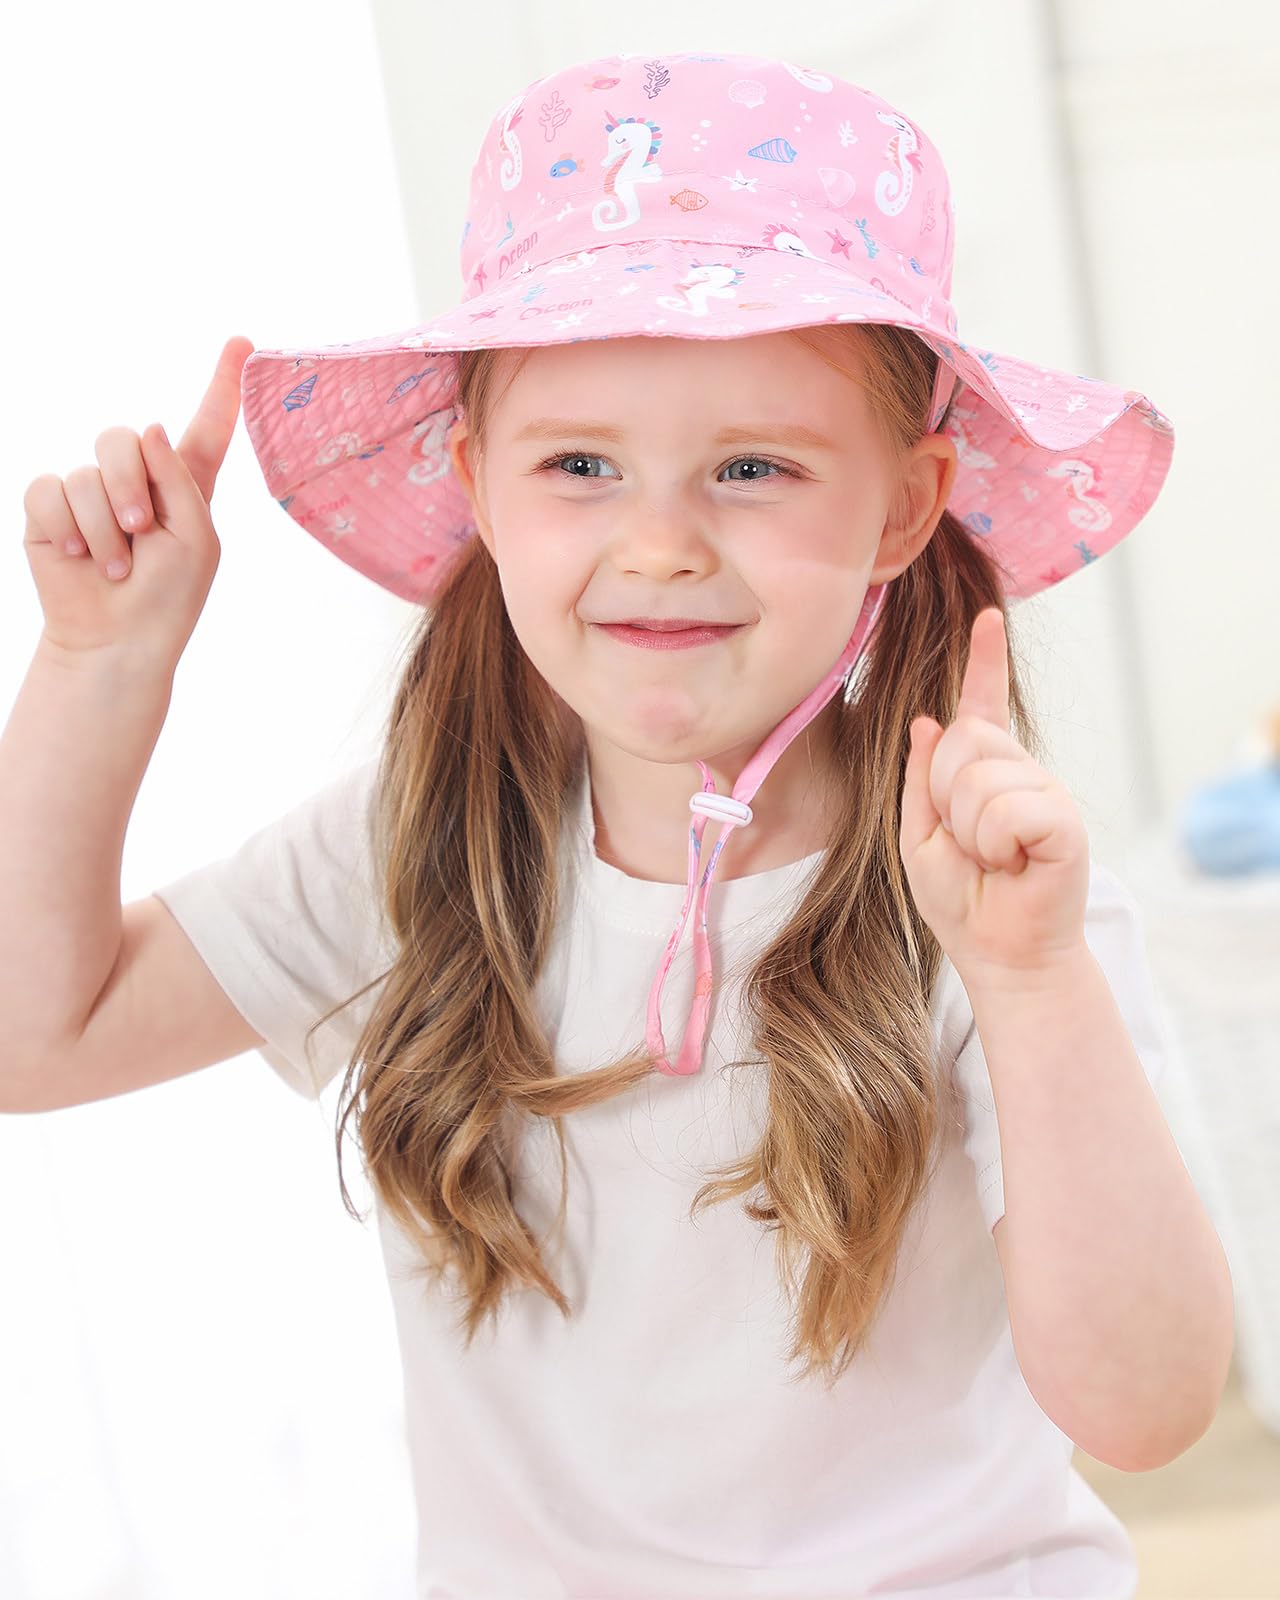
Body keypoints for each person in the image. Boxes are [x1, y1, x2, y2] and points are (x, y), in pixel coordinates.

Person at [9, 48, 1233, 1600]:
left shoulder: (994, 906)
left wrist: (1035, 985)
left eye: (752, 468)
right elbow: (32, 1036)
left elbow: (1145, 1410)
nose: (660, 545)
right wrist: (100, 668)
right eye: (581, 465)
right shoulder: (425, 845)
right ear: (478, 487)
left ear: (906, 508)